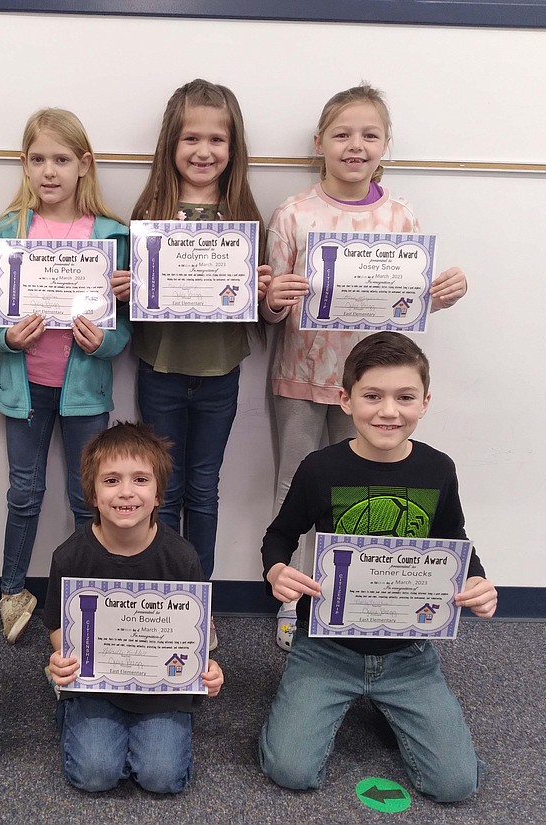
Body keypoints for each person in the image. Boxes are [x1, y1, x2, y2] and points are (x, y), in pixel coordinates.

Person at [261, 84, 468, 649]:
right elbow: (268, 311)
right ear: (319, 143)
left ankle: (360, 601)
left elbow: (407, 309)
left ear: (386, 146)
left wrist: (439, 294)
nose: (355, 145)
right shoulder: (293, 214)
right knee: (295, 492)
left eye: (369, 135)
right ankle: (293, 604)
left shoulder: (400, 216)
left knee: (362, 495)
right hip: (302, 379)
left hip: (373, 394)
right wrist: (275, 296)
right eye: (342, 134)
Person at [258, 332, 497, 803]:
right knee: (290, 769)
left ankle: (390, 705)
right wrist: (275, 570)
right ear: (345, 399)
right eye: (373, 396)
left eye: (405, 397)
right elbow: (280, 534)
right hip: (327, 647)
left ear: (425, 402)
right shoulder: (320, 468)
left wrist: (476, 579)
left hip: (408, 653)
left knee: (455, 786)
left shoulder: (438, 469)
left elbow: (454, 538)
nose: (389, 411)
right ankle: (317, 704)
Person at [0, 108, 130, 645]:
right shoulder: (9, 231)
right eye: (38, 159)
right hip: (24, 388)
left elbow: (127, 326)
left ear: (84, 165)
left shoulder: (111, 235)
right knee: (24, 492)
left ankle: (93, 589)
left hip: (85, 393)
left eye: (61, 159)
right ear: (24, 165)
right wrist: (3, 337)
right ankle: (12, 587)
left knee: (88, 499)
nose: (49, 171)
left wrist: (102, 341)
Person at [119, 80, 271, 646]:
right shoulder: (150, 211)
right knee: (164, 488)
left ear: (233, 149)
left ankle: (197, 600)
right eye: (191, 139)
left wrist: (260, 289)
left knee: (203, 489)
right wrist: (124, 288)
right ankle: (164, 595)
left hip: (220, 374)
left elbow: (263, 305)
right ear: (170, 145)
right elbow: (134, 297)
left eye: (217, 139)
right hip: (159, 368)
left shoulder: (244, 216)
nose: (203, 151)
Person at [44, 422, 224, 794]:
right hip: (96, 685)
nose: (126, 492)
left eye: (140, 480)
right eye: (111, 480)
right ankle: (74, 713)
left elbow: (195, 633)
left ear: (159, 493)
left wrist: (207, 669)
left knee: (161, 778)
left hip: (161, 688)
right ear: (92, 493)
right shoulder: (70, 556)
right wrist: (62, 657)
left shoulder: (182, 558)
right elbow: (59, 626)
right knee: (96, 776)